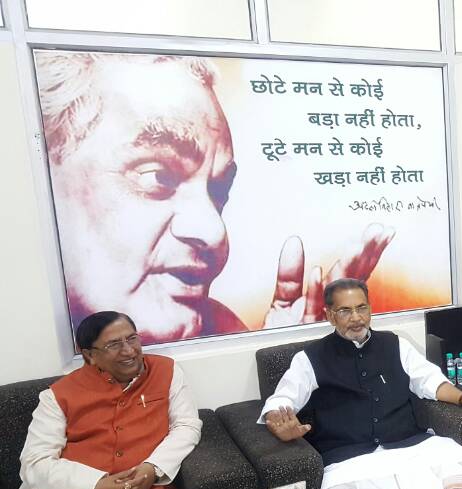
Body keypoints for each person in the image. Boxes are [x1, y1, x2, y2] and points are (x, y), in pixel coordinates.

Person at [35, 51, 394, 345]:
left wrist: (292, 353)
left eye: (218, 191)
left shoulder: (220, 328)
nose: (214, 232)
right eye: (157, 177)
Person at [258, 278, 462, 489]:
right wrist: (279, 423)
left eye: (362, 308)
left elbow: (430, 381)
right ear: (330, 315)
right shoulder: (310, 358)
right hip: (349, 457)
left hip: (406, 445)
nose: (356, 318)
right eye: (345, 311)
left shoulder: (395, 344)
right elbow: (282, 399)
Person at [3, 311, 203, 489]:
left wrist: (151, 468)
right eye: (114, 345)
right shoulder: (58, 395)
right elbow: (35, 462)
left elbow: (187, 426)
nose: (129, 351)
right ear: (89, 355)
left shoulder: (167, 371)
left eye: (132, 339)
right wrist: (96, 487)